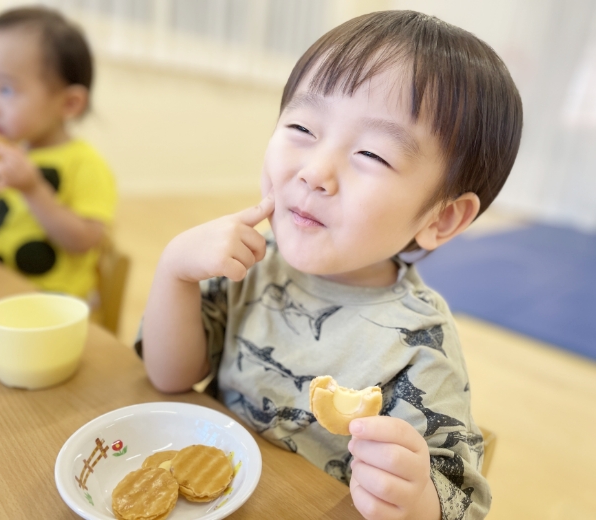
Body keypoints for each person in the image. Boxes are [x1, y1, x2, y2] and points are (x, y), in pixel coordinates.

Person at [137, 10, 522, 520]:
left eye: (372, 154)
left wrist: (419, 500)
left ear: (442, 217)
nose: (315, 171)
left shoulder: (418, 348)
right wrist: (175, 273)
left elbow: (463, 503)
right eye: (301, 126)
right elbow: (169, 377)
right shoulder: (251, 264)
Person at [0, 6, 116, 300]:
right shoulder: (2, 153)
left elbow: (85, 241)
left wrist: (33, 190)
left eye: (4, 89)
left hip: (48, 303)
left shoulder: (85, 164)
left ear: (68, 104)